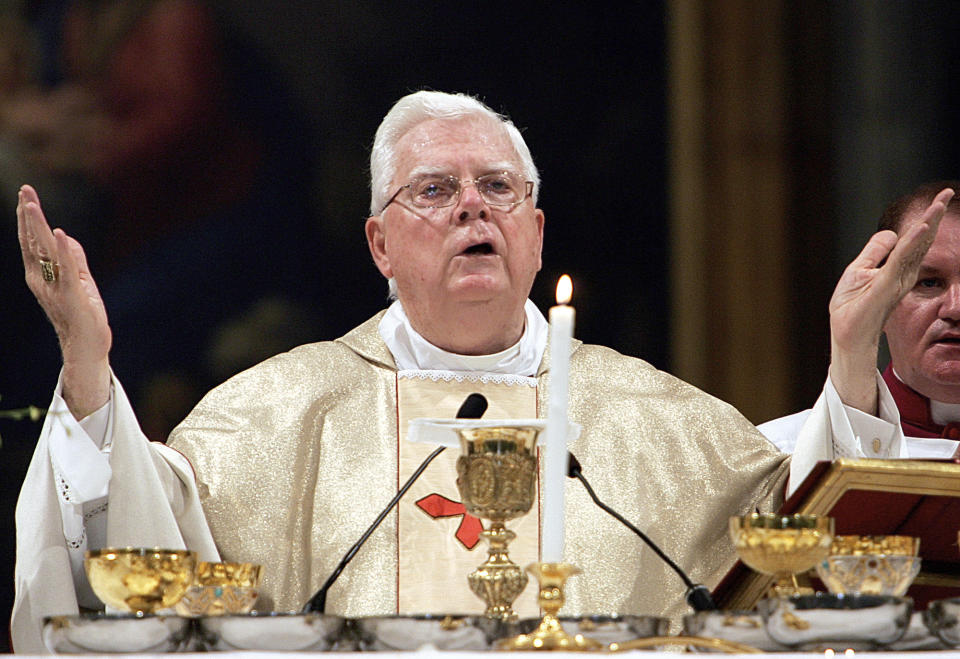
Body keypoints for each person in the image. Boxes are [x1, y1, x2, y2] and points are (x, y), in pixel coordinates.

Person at [13, 90, 791, 653]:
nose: (472, 209)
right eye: (434, 190)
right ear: (380, 244)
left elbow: (801, 538)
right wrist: (89, 370)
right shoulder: (271, 415)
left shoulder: (666, 424)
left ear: (537, 231)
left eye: (498, 188)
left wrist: (856, 383)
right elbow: (142, 567)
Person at [760, 181, 960, 483]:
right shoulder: (779, 456)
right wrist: (851, 352)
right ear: (883, 301)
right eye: (929, 282)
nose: (955, 308)